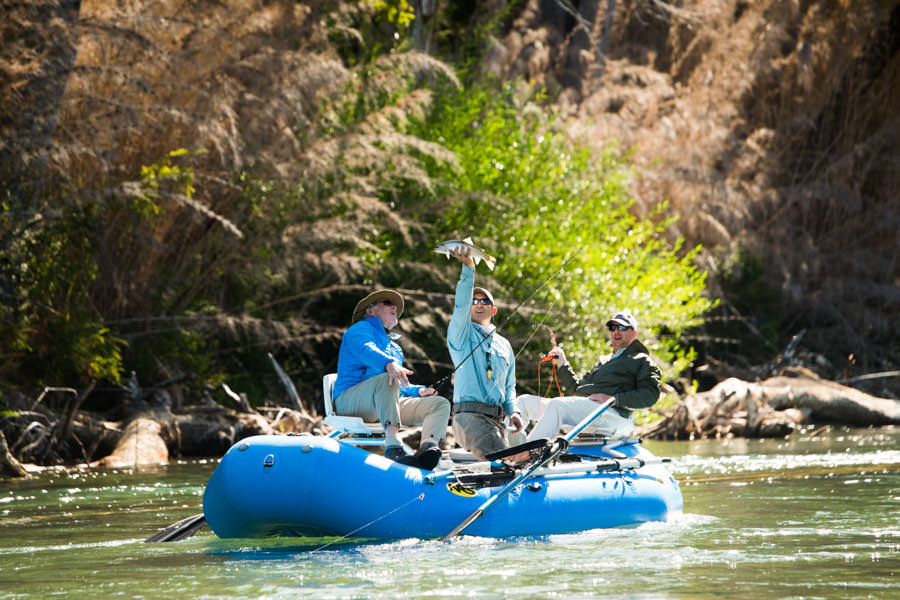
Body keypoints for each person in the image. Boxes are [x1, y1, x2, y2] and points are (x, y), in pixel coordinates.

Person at [332, 289, 451, 470]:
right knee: (385, 378)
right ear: (370, 311)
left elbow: (399, 387)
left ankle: (428, 450)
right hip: (349, 402)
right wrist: (389, 364)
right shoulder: (357, 330)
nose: (394, 306)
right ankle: (394, 447)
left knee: (439, 404)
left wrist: (418, 391)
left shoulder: (395, 349)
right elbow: (366, 350)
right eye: (387, 303)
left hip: (384, 404)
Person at [517, 310, 661, 443]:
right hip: (590, 410)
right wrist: (562, 362)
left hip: (615, 416)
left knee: (557, 405)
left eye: (622, 327)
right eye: (613, 327)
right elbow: (577, 389)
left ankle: (527, 455)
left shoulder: (641, 359)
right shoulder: (605, 361)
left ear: (634, 333)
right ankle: (508, 454)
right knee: (523, 402)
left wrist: (614, 400)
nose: (617, 331)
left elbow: (650, 395)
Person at [446, 247, 524, 459]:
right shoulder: (461, 333)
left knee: (504, 469)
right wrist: (468, 268)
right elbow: (460, 303)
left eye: (484, 301)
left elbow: (509, 386)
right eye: (474, 301)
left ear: (493, 310)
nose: (478, 304)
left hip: (497, 423)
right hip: (469, 418)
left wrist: (513, 411)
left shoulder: (505, 345)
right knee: (509, 463)